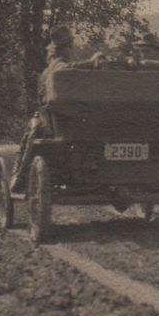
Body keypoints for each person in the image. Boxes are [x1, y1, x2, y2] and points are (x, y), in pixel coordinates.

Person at [10, 25, 103, 193]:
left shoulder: (49, 68)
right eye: (70, 45)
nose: (71, 49)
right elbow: (64, 71)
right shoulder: (58, 65)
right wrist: (91, 63)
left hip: (57, 119)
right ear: (66, 47)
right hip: (62, 122)